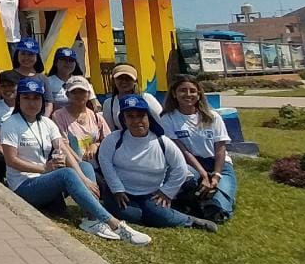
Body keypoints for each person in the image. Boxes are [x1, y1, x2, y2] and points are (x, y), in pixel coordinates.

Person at [0, 78, 150, 245]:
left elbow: (63, 148)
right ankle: (114, 223)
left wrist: (83, 178)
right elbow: (11, 160)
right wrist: (43, 169)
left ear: (42, 100)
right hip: (23, 185)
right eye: (26, 97)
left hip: (45, 180)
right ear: (18, 99)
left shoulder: (47, 123)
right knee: (66, 174)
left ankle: (91, 219)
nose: (31, 102)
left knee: (83, 165)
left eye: (36, 98)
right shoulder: (10, 124)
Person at [97, 96, 216, 232]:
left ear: (149, 117)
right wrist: (117, 188)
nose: (136, 121)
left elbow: (180, 168)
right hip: (120, 192)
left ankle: (190, 221)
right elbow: (105, 161)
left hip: (151, 193)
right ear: (123, 120)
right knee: (131, 215)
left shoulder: (163, 142)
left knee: (157, 215)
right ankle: (151, 214)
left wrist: (167, 192)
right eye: (130, 116)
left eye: (141, 116)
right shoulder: (114, 139)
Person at [161, 74, 236, 222]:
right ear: (174, 94)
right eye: (183, 90)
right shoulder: (168, 118)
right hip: (190, 164)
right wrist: (203, 174)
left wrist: (216, 176)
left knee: (221, 210)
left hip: (219, 164)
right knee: (187, 179)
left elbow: (220, 149)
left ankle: (210, 201)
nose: (188, 94)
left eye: (192, 91)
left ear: (199, 94)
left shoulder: (212, 117)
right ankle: (194, 199)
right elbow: (183, 151)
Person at [51, 76, 109, 162]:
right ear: (67, 94)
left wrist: (96, 145)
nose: (78, 95)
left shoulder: (97, 117)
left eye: (82, 91)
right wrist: (80, 165)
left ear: (89, 94)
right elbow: (63, 146)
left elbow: (108, 141)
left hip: (98, 168)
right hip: (73, 167)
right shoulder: (58, 116)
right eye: (74, 92)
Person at [100, 64, 164, 133]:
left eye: (128, 78)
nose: (124, 81)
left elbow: (161, 121)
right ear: (114, 81)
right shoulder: (109, 104)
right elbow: (109, 130)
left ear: (135, 81)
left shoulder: (146, 98)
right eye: (120, 78)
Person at [13, 38, 53, 117]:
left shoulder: (43, 78)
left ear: (37, 56)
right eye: (23, 53)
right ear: (17, 54)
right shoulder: (10, 75)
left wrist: (43, 121)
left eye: (30, 54)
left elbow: (48, 104)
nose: (26, 57)